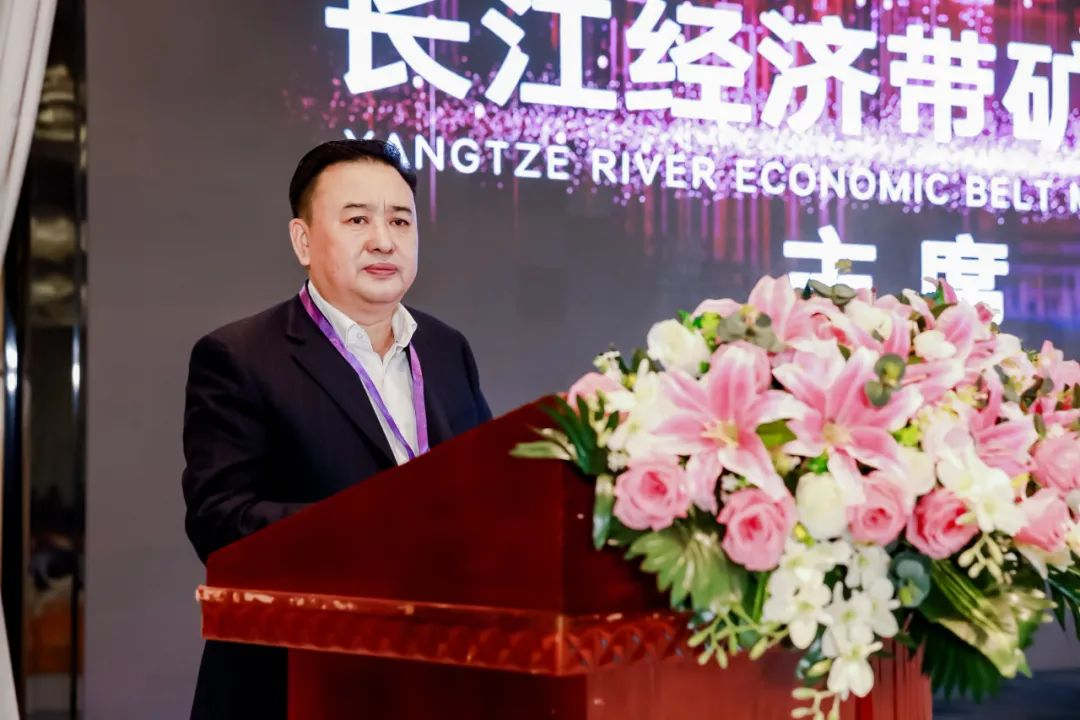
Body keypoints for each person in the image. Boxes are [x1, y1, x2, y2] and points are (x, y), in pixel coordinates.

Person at [181, 139, 492, 719]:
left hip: (438, 674)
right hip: (297, 678)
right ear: (303, 240)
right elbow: (221, 523)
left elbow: (488, 494)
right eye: (357, 220)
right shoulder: (241, 356)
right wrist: (382, 527)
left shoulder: (447, 349)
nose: (384, 239)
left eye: (400, 220)